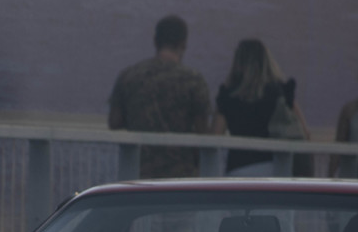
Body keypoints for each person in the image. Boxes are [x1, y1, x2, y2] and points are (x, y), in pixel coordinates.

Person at [108, 15, 211, 179]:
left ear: (155, 41)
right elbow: (203, 133)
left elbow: (114, 122)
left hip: (138, 173)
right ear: (183, 43)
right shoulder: (193, 80)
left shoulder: (129, 76)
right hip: (181, 175)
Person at [212, 38, 311, 176]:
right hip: (275, 168)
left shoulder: (228, 95)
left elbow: (215, 138)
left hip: (239, 168)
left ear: (238, 62)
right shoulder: (280, 92)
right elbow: (304, 133)